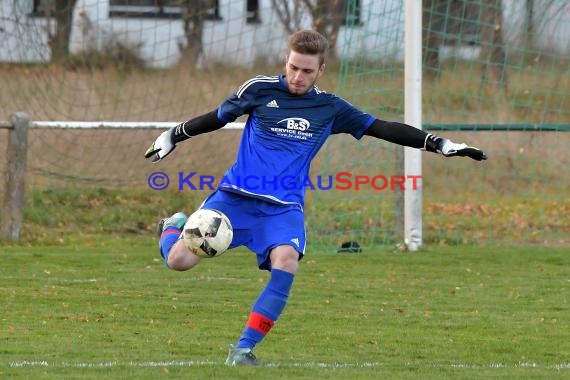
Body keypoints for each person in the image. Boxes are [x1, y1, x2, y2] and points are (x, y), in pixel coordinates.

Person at [145, 29, 487, 366]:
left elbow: (382, 127)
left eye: (307, 71)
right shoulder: (260, 90)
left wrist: (438, 143)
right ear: (286, 61)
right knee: (178, 261)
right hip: (236, 196)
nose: (297, 76)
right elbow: (217, 118)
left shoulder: (330, 107)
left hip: (283, 208)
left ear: (320, 70)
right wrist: (173, 135)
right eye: (293, 67)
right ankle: (173, 226)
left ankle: (243, 350)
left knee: (286, 261)